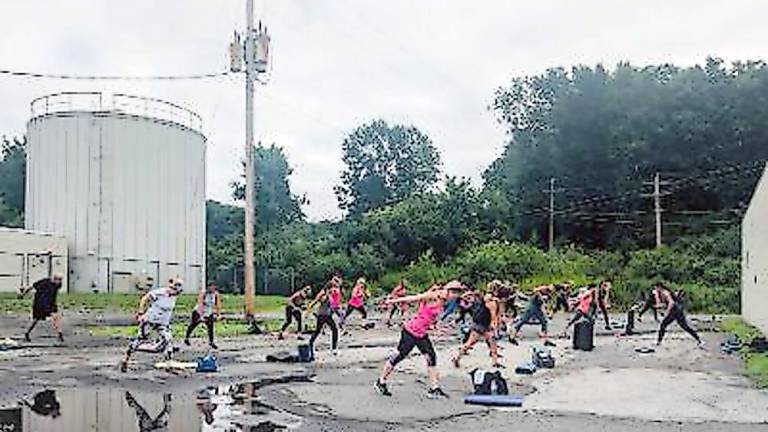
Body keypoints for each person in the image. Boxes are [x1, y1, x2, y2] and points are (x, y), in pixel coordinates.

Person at [374, 281, 464, 399]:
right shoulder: (433, 296)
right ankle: (381, 382)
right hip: (410, 331)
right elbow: (413, 298)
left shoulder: (445, 302)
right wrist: (392, 301)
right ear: (448, 291)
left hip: (421, 334)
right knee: (399, 356)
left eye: (457, 293)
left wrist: (436, 328)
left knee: (431, 356)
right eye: (454, 292)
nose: (455, 295)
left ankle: (434, 388)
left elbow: (429, 317)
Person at [120, 278, 183, 372]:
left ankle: (169, 365)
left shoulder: (173, 297)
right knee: (139, 340)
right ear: (170, 284)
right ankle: (126, 360)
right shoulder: (159, 292)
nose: (178, 288)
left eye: (179, 286)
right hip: (150, 320)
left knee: (168, 340)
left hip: (162, 324)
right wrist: (140, 312)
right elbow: (145, 299)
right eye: (176, 285)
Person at [452, 288, 503, 369]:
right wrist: (495, 327)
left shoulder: (478, 301)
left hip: (477, 323)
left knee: (471, 343)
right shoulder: (491, 302)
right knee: (492, 343)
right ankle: (495, 362)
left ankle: (457, 357)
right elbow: (493, 316)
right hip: (485, 325)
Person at [655, 283, 704, 348]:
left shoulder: (665, 293)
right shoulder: (662, 293)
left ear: (659, 287)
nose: (655, 289)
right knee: (684, 326)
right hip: (677, 310)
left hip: (675, 311)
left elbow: (671, 302)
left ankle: (659, 342)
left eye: (656, 288)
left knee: (664, 325)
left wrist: (667, 311)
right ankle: (699, 340)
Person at [19, 273, 64, 343]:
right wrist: (23, 294)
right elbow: (32, 287)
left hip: (50, 304)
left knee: (55, 317)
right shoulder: (44, 282)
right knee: (35, 320)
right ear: (55, 279)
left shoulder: (57, 285)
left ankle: (60, 334)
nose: (60, 282)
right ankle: (26, 333)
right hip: (40, 304)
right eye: (59, 280)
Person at [184, 283, 222, 349]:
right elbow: (200, 304)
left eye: (214, 287)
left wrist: (218, 314)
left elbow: (218, 305)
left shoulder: (215, 294)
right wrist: (201, 316)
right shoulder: (203, 293)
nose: (213, 289)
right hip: (198, 311)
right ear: (208, 287)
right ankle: (186, 338)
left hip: (208, 312)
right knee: (193, 325)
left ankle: (211, 342)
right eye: (211, 287)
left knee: (210, 327)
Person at [306, 282, 339, 354]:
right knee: (318, 331)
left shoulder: (331, 294)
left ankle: (334, 348)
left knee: (335, 329)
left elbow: (331, 305)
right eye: (334, 287)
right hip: (322, 315)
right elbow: (318, 301)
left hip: (327, 315)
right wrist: (308, 311)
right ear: (330, 287)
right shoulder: (323, 293)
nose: (335, 290)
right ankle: (310, 343)